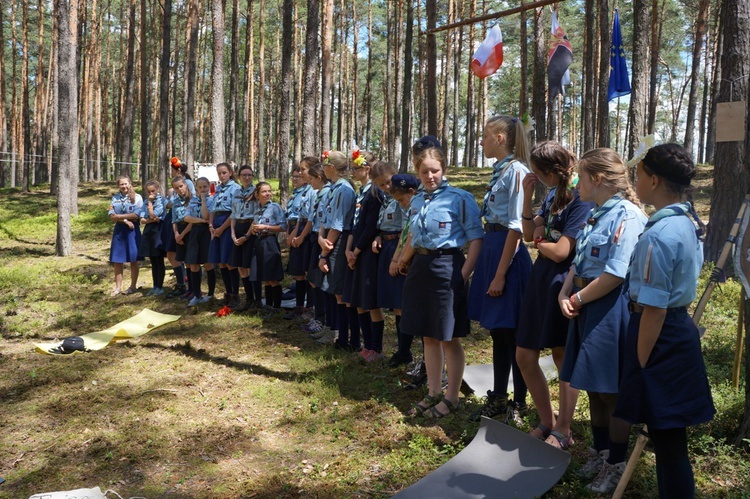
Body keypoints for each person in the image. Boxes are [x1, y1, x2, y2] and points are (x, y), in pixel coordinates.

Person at [614, 143, 714, 499]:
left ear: (653, 180)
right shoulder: (688, 221)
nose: (634, 181)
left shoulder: (659, 235)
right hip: (675, 331)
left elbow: (654, 310)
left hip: (657, 339)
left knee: (669, 443)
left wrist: (640, 366)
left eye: (638, 175)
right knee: (669, 440)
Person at [557, 148, 647, 493]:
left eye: (581, 175)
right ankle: (600, 450)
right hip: (585, 304)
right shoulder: (596, 213)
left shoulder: (627, 215)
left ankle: (617, 461)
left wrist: (577, 297)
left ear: (597, 179)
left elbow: (616, 273)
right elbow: (579, 262)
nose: (576, 181)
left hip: (608, 307)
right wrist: (564, 292)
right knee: (592, 383)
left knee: (610, 389)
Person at [515, 141, 593, 441]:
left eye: (539, 173)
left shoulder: (580, 198)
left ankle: (563, 428)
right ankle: (547, 420)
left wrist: (539, 241)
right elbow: (526, 231)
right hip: (541, 278)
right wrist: (527, 199)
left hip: (564, 281)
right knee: (524, 355)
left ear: (552, 171)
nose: (537, 177)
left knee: (562, 355)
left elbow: (562, 251)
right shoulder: (551, 194)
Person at [398, 147, 483, 419]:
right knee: (428, 334)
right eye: (424, 171)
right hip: (420, 268)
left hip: (448, 266)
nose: (430, 176)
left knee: (449, 336)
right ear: (418, 172)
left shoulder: (460, 198)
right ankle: (434, 391)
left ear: (443, 169)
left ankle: (452, 396)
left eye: (434, 170)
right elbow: (412, 234)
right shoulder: (417, 200)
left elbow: (476, 239)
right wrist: (402, 259)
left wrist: (463, 274)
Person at [467, 115, 532, 423]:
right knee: (497, 331)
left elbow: (517, 227)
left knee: (513, 333)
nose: (481, 141)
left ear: (501, 138)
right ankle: (498, 395)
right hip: (493, 247)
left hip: (507, 254)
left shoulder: (517, 171)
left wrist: (501, 273)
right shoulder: (500, 171)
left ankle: (519, 402)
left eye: (485, 135)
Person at [343, 151, 384, 361]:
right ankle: (366, 345)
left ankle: (376, 348)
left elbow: (370, 228)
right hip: (355, 250)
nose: (353, 172)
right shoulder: (361, 192)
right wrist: (348, 249)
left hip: (367, 252)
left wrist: (356, 251)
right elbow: (355, 225)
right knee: (358, 300)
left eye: (356, 168)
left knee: (370, 301)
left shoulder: (375, 194)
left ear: (367, 169)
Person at [371, 164, 413, 367]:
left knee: (400, 303)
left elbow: (407, 227)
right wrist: (379, 236)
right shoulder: (387, 198)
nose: (387, 186)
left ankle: (405, 351)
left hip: (400, 247)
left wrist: (400, 258)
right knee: (395, 304)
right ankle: (402, 349)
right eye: (382, 184)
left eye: (389, 181)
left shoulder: (403, 197)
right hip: (387, 246)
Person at [317, 151, 357, 346]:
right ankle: (334, 331)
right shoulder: (333, 188)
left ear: (331, 167)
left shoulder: (344, 190)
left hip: (339, 242)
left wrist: (324, 252)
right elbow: (326, 218)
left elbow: (339, 224)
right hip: (329, 240)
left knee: (338, 290)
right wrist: (320, 238)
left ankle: (343, 336)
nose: (322, 169)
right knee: (331, 288)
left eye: (324, 165)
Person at [302, 163, 332, 338]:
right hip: (315, 236)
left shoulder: (328, 192)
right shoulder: (319, 193)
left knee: (319, 280)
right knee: (313, 278)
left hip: (323, 237)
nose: (310, 181)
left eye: (312, 178)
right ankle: (318, 315)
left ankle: (323, 319)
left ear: (319, 178)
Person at [285, 159, 316, 318]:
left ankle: (309, 307)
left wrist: (302, 236)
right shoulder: (305, 191)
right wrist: (293, 234)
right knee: (298, 272)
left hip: (308, 231)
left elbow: (311, 217)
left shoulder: (314, 190)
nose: (300, 173)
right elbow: (300, 217)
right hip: (301, 227)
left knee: (307, 271)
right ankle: (299, 305)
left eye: (303, 170)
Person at [251, 181, 287, 314]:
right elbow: (255, 224)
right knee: (265, 277)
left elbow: (283, 227)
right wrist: (254, 230)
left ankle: (276, 307)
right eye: (264, 192)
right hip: (259, 242)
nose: (267, 194)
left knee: (273, 277)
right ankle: (268, 305)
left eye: (269, 191)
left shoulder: (275, 207)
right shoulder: (257, 209)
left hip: (270, 242)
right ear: (257, 194)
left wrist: (266, 227)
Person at [209, 163, 241, 307]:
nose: (222, 176)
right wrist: (211, 225)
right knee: (221, 261)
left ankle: (235, 294)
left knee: (229, 261)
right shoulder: (218, 188)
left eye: (224, 173)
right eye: (219, 173)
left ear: (230, 172)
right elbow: (214, 209)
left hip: (227, 225)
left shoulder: (235, 188)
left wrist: (222, 228)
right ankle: (227, 293)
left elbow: (234, 212)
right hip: (216, 225)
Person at [163, 157, 195, 298]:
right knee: (172, 253)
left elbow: (189, 200)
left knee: (184, 257)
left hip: (186, 223)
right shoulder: (175, 187)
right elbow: (170, 204)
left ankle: (189, 287)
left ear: (178, 170)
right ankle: (182, 284)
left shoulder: (187, 182)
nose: (179, 189)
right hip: (175, 222)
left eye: (172, 169)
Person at [229, 165, 258, 312]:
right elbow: (233, 214)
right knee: (240, 266)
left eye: (249, 175)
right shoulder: (235, 192)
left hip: (250, 229)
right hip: (237, 228)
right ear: (239, 176)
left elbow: (257, 215)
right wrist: (233, 234)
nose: (246, 177)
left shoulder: (256, 192)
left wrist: (247, 235)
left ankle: (256, 300)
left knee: (249, 266)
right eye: (244, 175)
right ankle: (248, 298)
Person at [184, 177, 216, 306]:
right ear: (196, 188)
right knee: (194, 264)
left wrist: (203, 200)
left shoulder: (211, 200)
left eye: (205, 187)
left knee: (208, 263)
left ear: (209, 187)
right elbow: (186, 218)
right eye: (200, 187)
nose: (202, 189)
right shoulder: (192, 200)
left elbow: (207, 216)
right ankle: (197, 294)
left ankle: (210, 293)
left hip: (206, 233)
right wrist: (201, 221)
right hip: (195, 232)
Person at [108, 176, 143, 296]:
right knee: (118, 260)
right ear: (118, 186)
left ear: (130, 184)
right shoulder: (115, 198)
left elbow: (137, 214)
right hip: (120, 230)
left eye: (125, 184)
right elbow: (111, 214)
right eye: (121, 184)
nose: (124, 186)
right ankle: (118, 287)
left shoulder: (137, 197)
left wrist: (120, 217)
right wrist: (124, 221)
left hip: (133, 230)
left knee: (133, 259)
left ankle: (133, 286)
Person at [138, 180, 167, 296]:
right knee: (152, 260)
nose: (151, 193)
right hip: (149, 231)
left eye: (153, 191)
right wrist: (150, 218)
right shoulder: (145, 201)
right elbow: (142, 219)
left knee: (159, 259)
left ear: (158, 189)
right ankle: (155, 286)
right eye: (149, 191)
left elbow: (154, 215)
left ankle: (160, 286)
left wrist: (150, 207)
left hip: (158, 231)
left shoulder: (162, 201)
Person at [171, 176, 193, 298]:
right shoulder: (175, 201)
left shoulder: (193, 199)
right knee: (185, 261)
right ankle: (189, 289)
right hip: (179, 231)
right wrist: (176, 234)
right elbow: (174, 220)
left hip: (189, 230)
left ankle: (195, 289)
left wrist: (183, 234)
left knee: (192, 261)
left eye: (181, 186)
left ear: (185, 185)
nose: (179, 189)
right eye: (176, 188)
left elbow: (192, 220)